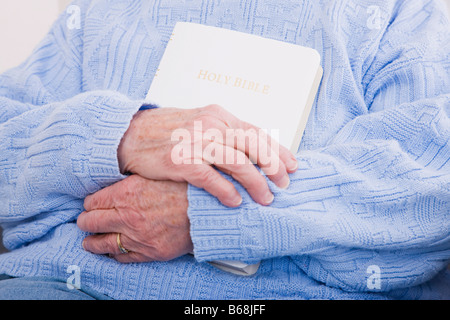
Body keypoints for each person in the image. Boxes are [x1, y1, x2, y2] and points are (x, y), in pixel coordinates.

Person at [0, 0, 448, 300]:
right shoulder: (102, 10)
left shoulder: (410, 15)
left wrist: (207, 213)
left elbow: (427, 194)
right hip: (66, 285)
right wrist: (125, 134)